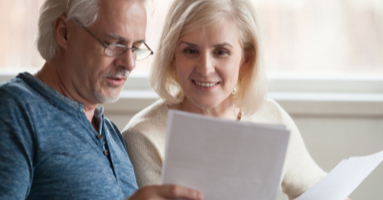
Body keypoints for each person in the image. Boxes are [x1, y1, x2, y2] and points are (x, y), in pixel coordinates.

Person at [123, 0, 331, 199]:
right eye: (191, 50)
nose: (205, 68)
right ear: (172, 56)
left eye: (221, 52)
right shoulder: (144, 138)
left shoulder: (271, 117)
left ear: (245, 60)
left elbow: (320, 190)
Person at [0, 0, 203, 199]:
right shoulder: (13, 110)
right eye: (114, 45)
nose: (129, 63)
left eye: (136, 48)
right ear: (64, 33)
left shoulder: (111, 134)